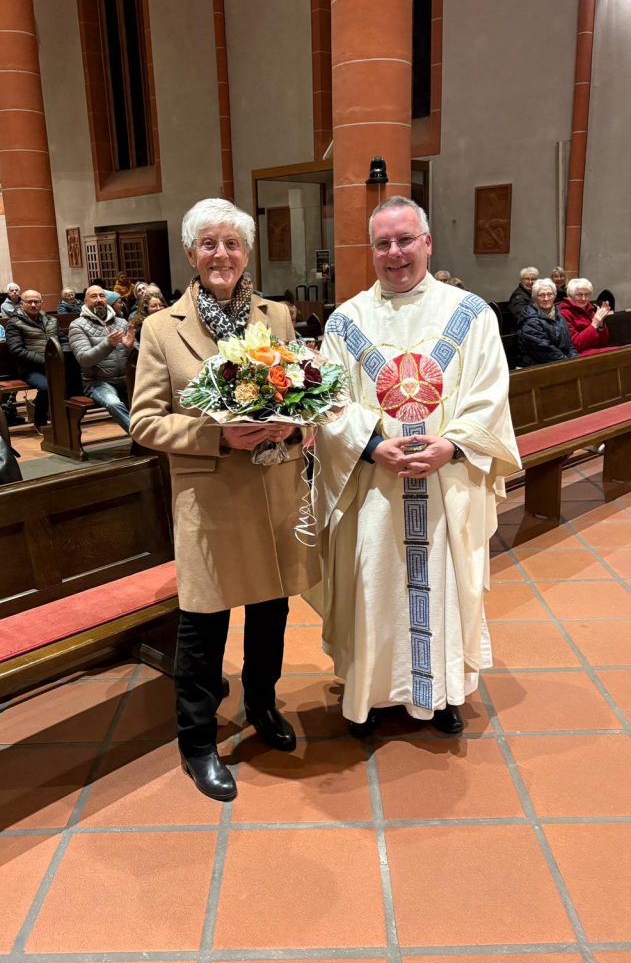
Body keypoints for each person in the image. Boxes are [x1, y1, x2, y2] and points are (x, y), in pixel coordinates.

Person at [130, 198, 319, 801]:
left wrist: (296, 424)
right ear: (191, 254)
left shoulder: (276, 315)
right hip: (209, 498)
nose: (222, 255)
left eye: (232, 243)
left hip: (271, 490)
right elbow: (144, 421)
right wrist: (217, 436)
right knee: (204, 624)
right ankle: (197, 742)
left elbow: (304, 395)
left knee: (271, 612)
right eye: (209, 243)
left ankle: (262, 704)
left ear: (247, 252)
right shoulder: (163, 328)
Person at [311, 196, 520, 738]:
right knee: (374, 588)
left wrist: (451, 446)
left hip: (446, 484)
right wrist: (369, 445)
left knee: (444, 587)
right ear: (371, 250)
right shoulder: (346, 322)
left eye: (405, 240)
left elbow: (490, 393)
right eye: (383, 243)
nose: (394, 253)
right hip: (375, 488)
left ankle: (442, 692)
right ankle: (371, 697)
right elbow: (328, 402)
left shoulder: (470, 315)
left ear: (427, 242)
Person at [68, 285, 136, 432]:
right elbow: (84, 359)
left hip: (127, 379)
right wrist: (108, 344)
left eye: (102, 296)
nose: (99, 299)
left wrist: (131, 347)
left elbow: (140, 353)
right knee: (113, 403)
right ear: (85, 301)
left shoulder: (121, 322)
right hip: (98, 382)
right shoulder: (77, 326)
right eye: (94, 296)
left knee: (156, 394)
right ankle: (142, 437)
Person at [4, 289, 57, 433]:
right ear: (22, 304)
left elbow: (63, 341)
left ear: (41, 303)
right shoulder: (14, 323)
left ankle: (61, 419)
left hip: (53, 365)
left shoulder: (51, 320)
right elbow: (17, 350)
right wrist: (44, 360)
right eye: (29, 302)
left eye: (36, 301)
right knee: (46, 387)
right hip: (30, 368)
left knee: (72, 381)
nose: (33, 305)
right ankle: (40, 421)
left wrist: (64, 356)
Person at [517, 277, 577, 366]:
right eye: (541, 295)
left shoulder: (559, 315)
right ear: (535, 298)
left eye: (550, 294)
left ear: (555, 296)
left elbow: (569, 344)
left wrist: (575, 358)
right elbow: (546, 352)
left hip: (561, 362)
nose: (546, 298)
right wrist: (569, 363)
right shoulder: (530, 322)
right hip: (538, 367)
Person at [558, 278, 613, 354]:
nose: (583, 298)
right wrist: (594, 324)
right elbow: (576, 345)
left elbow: (603, 343)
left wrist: (600, 325)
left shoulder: (590, 309)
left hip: (596, 351)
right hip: (578, 355)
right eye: (579, 295)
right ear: (571, 295)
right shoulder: (564, 313)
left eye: (587, 295)